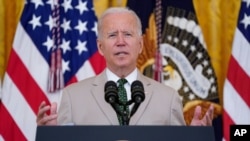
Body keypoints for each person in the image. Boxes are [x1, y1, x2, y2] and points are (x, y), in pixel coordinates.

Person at [37, 7, 214, 126]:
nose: (120, 42)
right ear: (100, 47)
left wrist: (195, 138)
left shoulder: (168, 98)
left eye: (128, 34)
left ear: (140, 45)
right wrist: (48, 135)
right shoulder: (73, 97)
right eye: (112, 35)